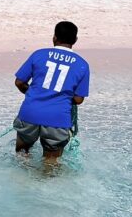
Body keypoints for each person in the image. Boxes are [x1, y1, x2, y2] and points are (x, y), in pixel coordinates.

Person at [13, 21, 90, 163]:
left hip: (30, 112)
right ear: (75, 40)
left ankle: (21, 182)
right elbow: (79, 100)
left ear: (54, 37)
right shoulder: (82, 65)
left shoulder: (39, 55)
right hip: (58, 118)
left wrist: (34, 94)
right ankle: (45, 185)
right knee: (51, 162)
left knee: (22, 153)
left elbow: (19, 82)